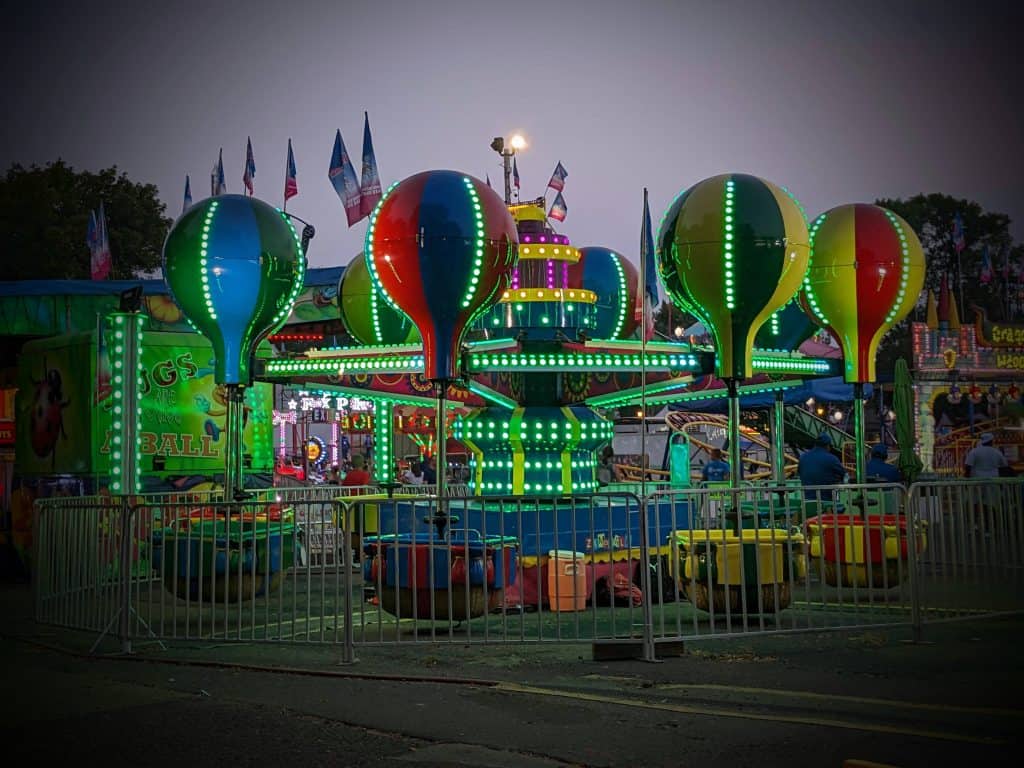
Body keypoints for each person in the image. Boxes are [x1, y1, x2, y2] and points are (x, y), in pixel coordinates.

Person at [798, 432, 847, 501]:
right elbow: (844, 475)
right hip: (827, 502)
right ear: (827, 446)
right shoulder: (832, 459)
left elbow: (800, 473)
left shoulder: (803, 458)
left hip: (807, 501)